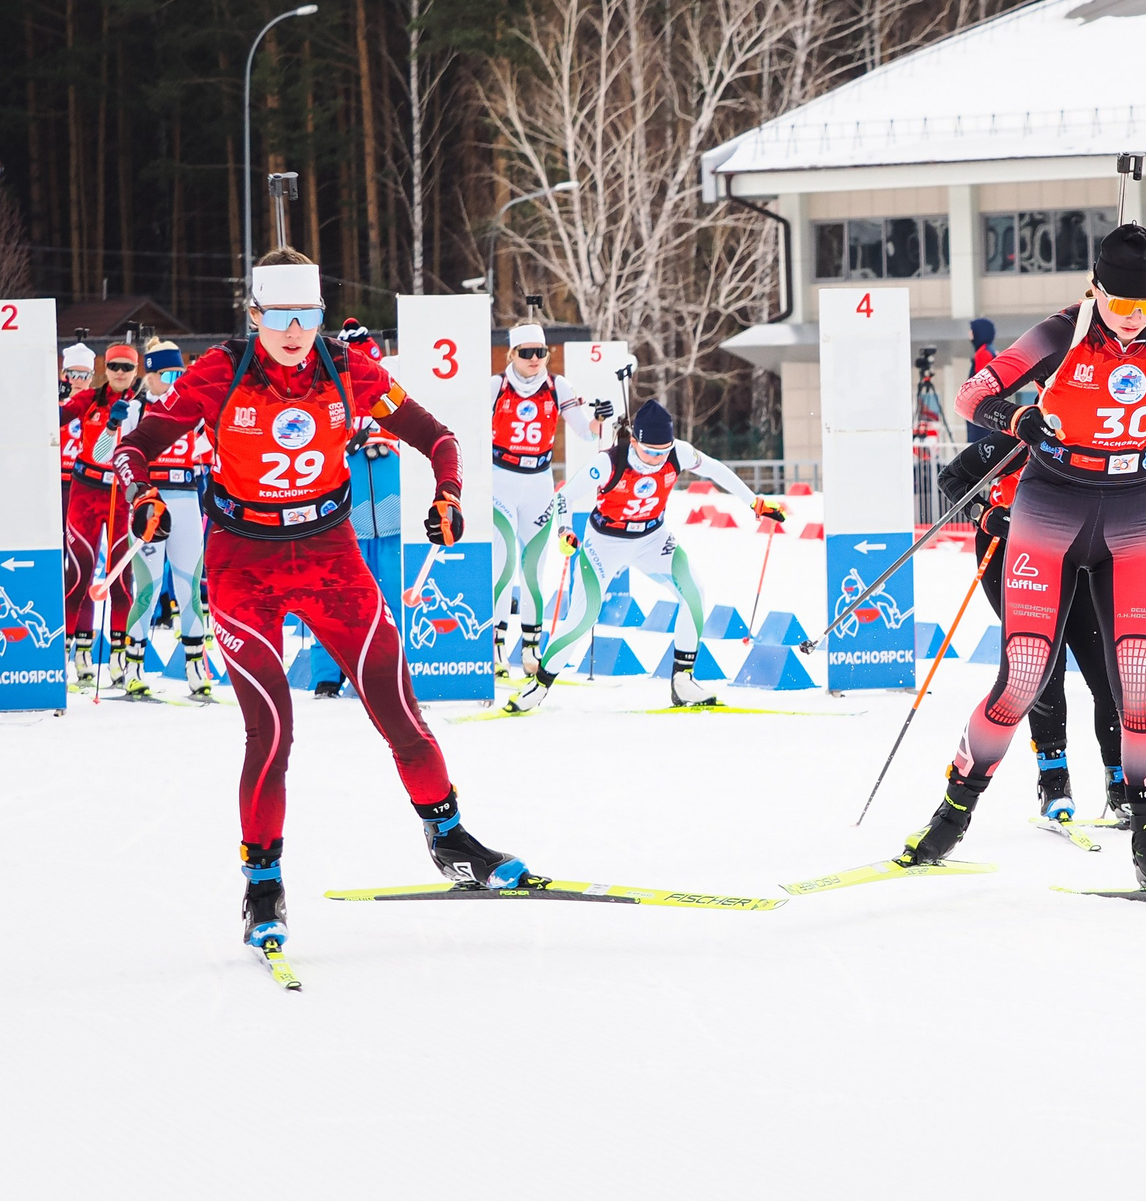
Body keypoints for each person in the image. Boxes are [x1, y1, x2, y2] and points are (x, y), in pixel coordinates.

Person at [111, 247, 529, 959]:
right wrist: (142, 496)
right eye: (279, 316)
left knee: (399, 708)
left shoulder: (348, 369)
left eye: (307, 315)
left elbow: (440, 436)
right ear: (254, 314)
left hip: (333, 559)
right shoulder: (221, 371)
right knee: (271, 733)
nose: (295, 330)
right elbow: (136, 445)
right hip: (245, 565)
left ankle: (450, 837)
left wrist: (450, 494)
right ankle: (263, 884)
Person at [900, 222, 1146, 892]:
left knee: (1138, 678)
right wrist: (1017, 418)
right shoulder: (1062, 330)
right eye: (1121, 306)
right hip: (1051, 504)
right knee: (1024, 674)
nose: (1135, 320)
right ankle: (953, 813)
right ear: (1096, 290)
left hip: (1134, 510)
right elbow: (974, 395)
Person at [937, 429, 1146, 822]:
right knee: (1040, 669)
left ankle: (1123, 783)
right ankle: (1054, 780)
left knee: (1109, 669)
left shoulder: (1115, 433)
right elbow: (950, 477)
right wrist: (985, 515)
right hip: (1015, 549)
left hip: (1084, 549)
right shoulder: (1025, 434)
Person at [522, 399, 778, 712]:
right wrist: (564, 531)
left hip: (652, 539)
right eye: (650, 451)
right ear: (634, 441)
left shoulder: (678, 452)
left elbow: (714, 469)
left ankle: (683, 680)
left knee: (694, 593)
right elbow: (564, 496)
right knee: (583, 616)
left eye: (664, 450)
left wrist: (754, 502)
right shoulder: (608, 462)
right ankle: (539, 684)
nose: (658, 458)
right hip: (605, 543)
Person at [489, 321, 611, 674]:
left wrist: (598, 420)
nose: (534, 360)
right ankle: (495, 644)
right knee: (505, 561)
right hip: (502, 479)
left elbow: (586, 435)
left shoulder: (558, 386)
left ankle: (530, 647)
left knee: (533, 567)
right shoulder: (496, 385)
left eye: (540, 353)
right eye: (526, 353)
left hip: (539, 481)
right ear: (512, 354)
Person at [130, 340, 216, 699]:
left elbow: (211, 451)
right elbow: (107, 455)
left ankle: (196, 668)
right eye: (167, 374)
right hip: (151, 503)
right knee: (147, 591)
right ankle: (132, 666)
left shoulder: (190, 410)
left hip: (185, 500)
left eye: (180, 373)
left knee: (189, 587)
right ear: (149, 376)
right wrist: (111, 427)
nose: (174, 380)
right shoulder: (135, 409)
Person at [56, 342, 145, 685]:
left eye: (127, 367)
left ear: (135, 371)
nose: (120, 373)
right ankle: (75, 655)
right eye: (114, 367)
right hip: (86, 492)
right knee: (78, 574)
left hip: (121, 495)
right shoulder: (90, 399)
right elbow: (94, 448)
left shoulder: (143, 406)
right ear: (105, 370)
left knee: (120, 579)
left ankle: (119, 660)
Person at [57, 341, 94, 513]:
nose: (79, 380)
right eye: (74, 374)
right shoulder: (54, 405)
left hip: (84, 483)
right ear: (64, 374)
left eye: (85, 375)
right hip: (56, 482)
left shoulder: (97, 407)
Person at [963, 317, 1000, 444]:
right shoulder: (988, 350)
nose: (969, 334)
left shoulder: (983, 353)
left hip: (980, 410)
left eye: (971, 330)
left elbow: (981, 384)